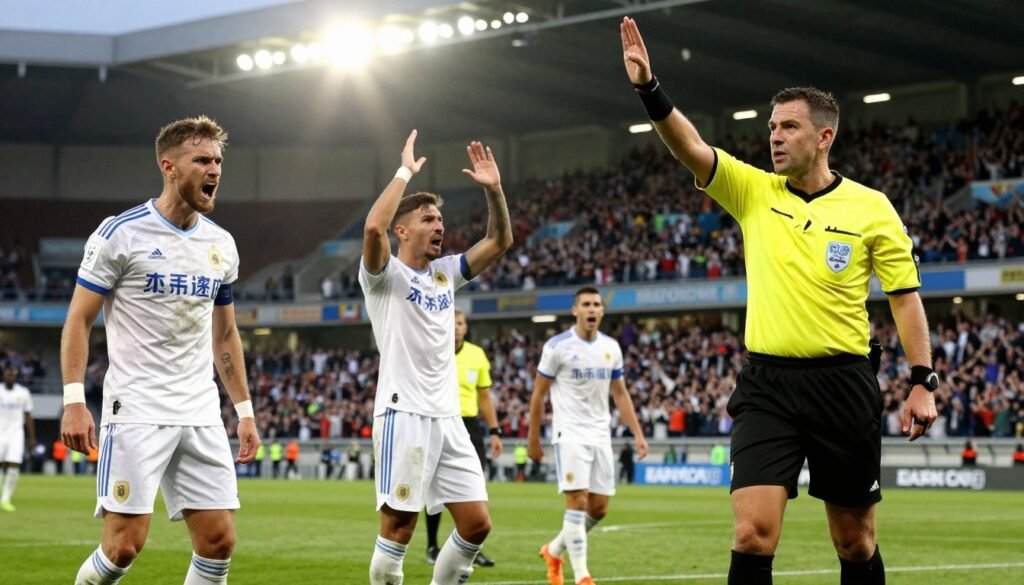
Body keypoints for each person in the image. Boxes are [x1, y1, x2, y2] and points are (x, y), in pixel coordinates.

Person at [618, 17, 938, 585]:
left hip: (844, 383)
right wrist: (649, 88)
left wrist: (921, 380)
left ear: (824, 137)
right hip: (766, 385)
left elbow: (904, 299)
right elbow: (689, 147)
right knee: (752, 534)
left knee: (855, 541)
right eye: (772, 126)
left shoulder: (872, 208)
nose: (775, 136)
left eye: (789, 126)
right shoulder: (753, 191)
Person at [60, 116, 261, 585]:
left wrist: (244, 410)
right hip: (137, 406)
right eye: (202, 160)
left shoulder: (221, 244)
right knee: (123, 547)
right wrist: (74, 401)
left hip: (199, 410)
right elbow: (78, 319)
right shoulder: (120, 233)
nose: (214, 169)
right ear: (168, 166)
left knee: (219, 542)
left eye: (218, 161)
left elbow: (226, 335)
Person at [359, 130, 512, 585]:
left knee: (477, 523)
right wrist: (405, 172)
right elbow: (372, 229)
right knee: (399, 529)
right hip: (403, 413)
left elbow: (500, 240)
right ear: (402, 230)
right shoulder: (384, 276)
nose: (439, 225)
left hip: (448, 419)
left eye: (441, 219)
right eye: (428, 218)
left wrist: (495, 190)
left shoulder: (446, 274)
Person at [528, 286, 649, 585]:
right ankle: (582, 577)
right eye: (586, 304)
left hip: (600, 433)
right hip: (569, 432)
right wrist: (533, 438)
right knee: (578, 501)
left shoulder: (611, 348)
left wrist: (638, 433)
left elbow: (620, 393)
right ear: (575, 311)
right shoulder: (558, 346)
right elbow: (538, 394)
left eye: (597, 304)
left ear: (602, 312)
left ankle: (554, 550)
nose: (592, 309)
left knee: (599, 508)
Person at [425, 310, 503, 567]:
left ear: (466, 327)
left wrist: (494, 431)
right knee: (432, 487)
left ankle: (472, 548)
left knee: (476, 487)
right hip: (437, 421)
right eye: (451, 322)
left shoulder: (476, 354)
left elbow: (484, 396)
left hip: (469, 426)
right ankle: (432, 546)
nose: (455, 327)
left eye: (459, 323)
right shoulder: (432, 350)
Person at [1, 363, 35, 511]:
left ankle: (5, 499)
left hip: (16, 433)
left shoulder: (23, 392)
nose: (12, 376)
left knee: (14, 463)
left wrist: (32, 437)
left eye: (14, 374)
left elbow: (28, 415)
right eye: (9, 374)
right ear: (4, 374)